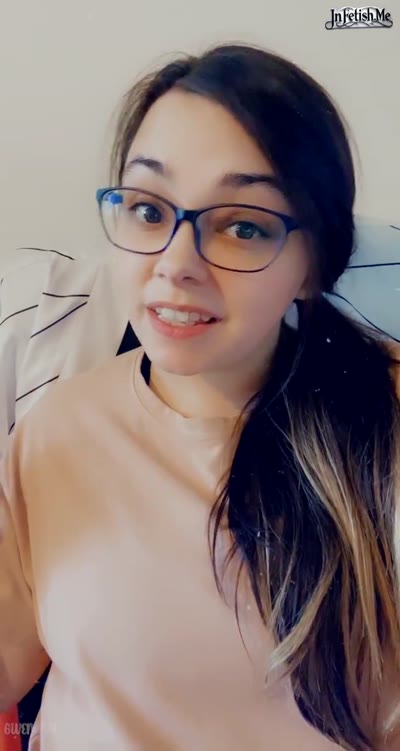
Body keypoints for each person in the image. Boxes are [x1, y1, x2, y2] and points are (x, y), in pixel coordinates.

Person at [0, 42, 400, 751]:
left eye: (242, 226)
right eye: (148, 210)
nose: (176, 264)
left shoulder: (383, 425)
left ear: (314, 265)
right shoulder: (57, 427)